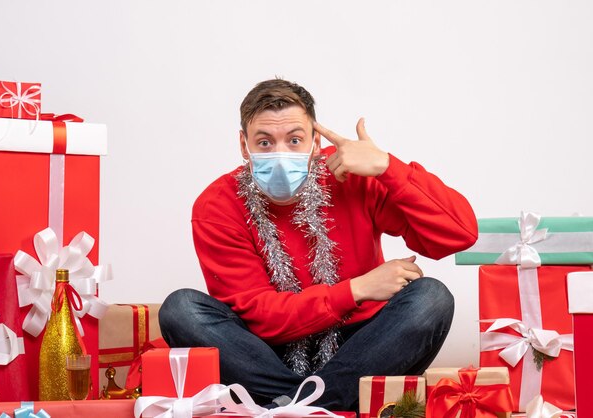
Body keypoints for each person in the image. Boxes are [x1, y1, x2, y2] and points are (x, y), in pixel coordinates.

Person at [159, 78, 478, 411]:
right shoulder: (217, 205)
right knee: (180, 309)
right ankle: (321, 405)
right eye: (265, 142)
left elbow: (459, 233)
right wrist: (356, 289)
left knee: (431, 298)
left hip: (359, 347)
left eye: (294, 140)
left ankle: (290, 407)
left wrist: (387, 167)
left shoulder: (351, 175)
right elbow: (260, 314)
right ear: (244, 145)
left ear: (314, 142)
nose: (280, 154)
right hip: (266, 353)